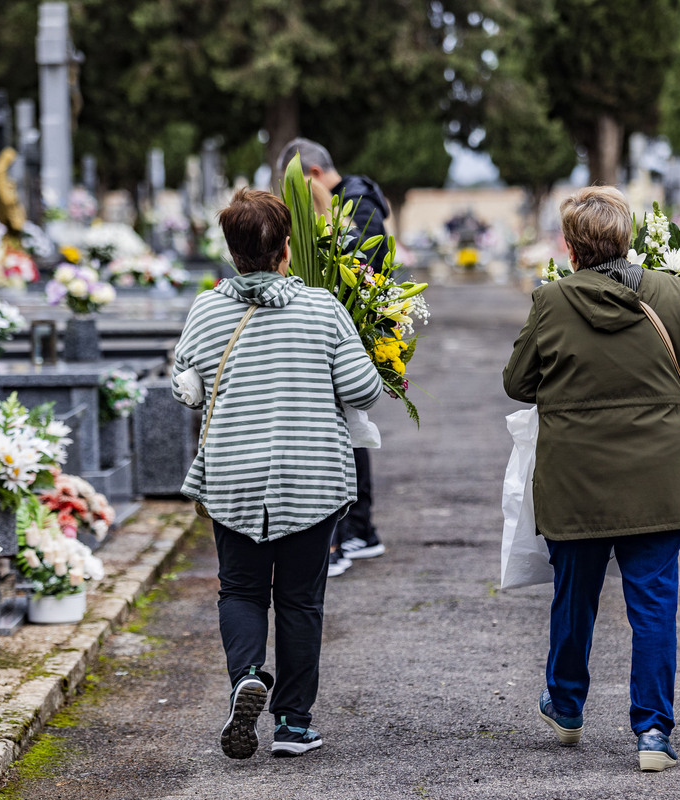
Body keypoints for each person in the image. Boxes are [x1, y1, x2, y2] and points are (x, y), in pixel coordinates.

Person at [502, 186, 680, 772]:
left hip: (575, 480)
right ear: (628, 238)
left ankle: (566, 706)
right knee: (654, 606)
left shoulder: (550, 301)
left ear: (570, 246)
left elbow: (517, 381)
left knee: (574, 596)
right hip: (657, 480)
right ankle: (653, 733)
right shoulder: (669, 292)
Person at [172, 189, 384, 759]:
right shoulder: (322, 309)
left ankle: (246, 675)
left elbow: (186, 386)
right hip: (310, 479)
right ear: (287, 249)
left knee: (239, 589)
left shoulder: (208, 309)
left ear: (233, 252)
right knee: (299, 601)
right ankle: (293, 723)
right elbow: (364, 389)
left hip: (233, 477)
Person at [278, 137, 390, 575]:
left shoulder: (356, 206)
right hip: (338, 328)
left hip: (344, 331)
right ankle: (357, 531)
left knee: (345, 433)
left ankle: (353, 533)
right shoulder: (358, 198)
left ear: (314, 176)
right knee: (345, 431)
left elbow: (364, 269)